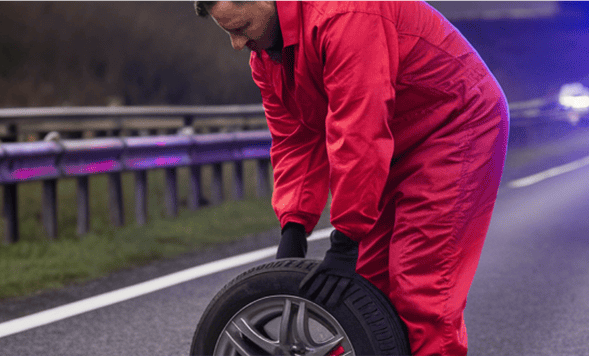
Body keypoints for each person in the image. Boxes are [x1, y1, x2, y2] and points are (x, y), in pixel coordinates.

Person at [194, 1, 509, 355]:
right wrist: (294, 227)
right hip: (394, 138)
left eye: (241, 28)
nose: (237, 43)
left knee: (420, 288)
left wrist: (345, 238)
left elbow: (360, 127)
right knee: (366, 291)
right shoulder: (268, 60)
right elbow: (295, 139)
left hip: (453, 125)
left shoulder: (346, 14)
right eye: (229, 33)